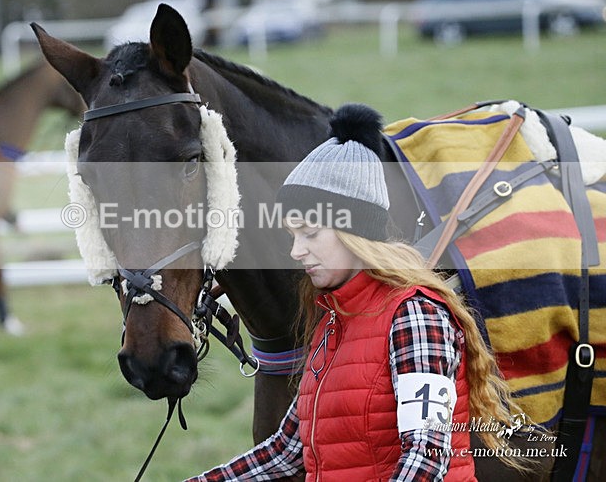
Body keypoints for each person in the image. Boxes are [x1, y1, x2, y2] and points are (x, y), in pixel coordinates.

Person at [185, 103, 535, 481]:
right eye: (292, 235)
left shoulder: (415, 316)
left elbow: (427, 457)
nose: (296, 251)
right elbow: (288, 451)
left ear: (353, 231)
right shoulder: (332, 322)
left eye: (310, 233)